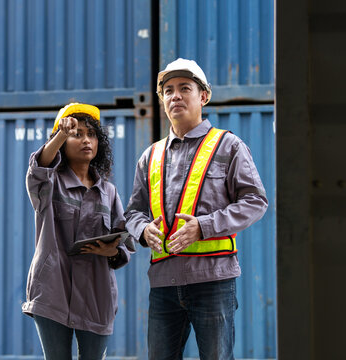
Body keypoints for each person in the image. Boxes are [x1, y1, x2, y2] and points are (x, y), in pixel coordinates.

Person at [124, 58, 268, 360]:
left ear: (203, 96)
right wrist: (142, 229)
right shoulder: (149, 156)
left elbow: (256, 201)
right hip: (163, 283)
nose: (175, 96)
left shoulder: (229, 146)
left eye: (184, 88)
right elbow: (133, 212)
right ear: (162, 100)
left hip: (213, 281)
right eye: (168, 91)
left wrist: (204, 226)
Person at [22, 103, 135, 359]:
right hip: (53, 288)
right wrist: (62, 132)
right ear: (61, 142)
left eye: (91, 134)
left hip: (97, 294)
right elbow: (38, 167)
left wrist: (112, 250)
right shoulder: (48, 183)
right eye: (77, 134)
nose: (86, 140)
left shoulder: (109, 192)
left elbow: (123, 243)